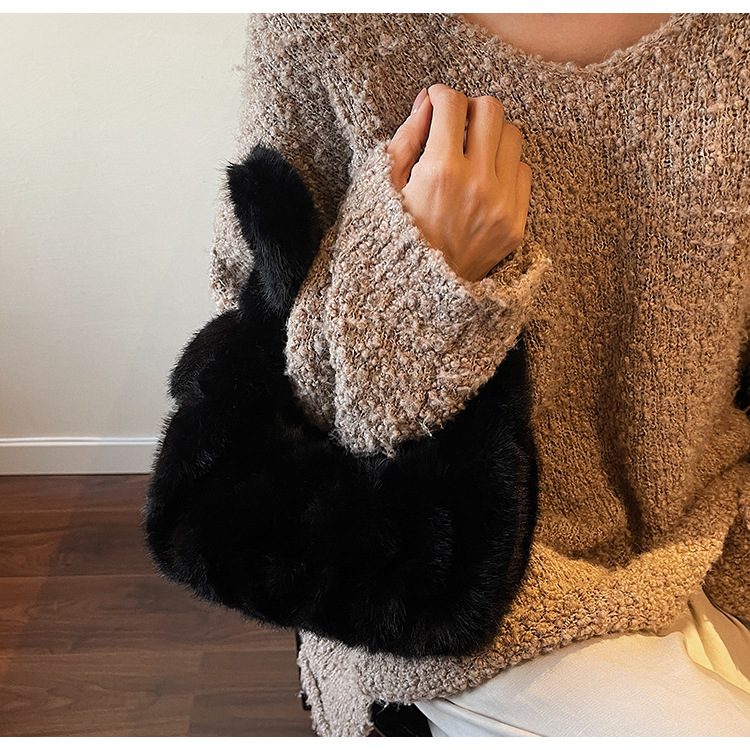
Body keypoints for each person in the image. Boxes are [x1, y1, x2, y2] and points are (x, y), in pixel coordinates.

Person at [208, 13, 750, 735]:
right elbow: (254, 423)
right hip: (473, 594)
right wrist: (416, 274)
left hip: (715, 528)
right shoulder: (330, 29)